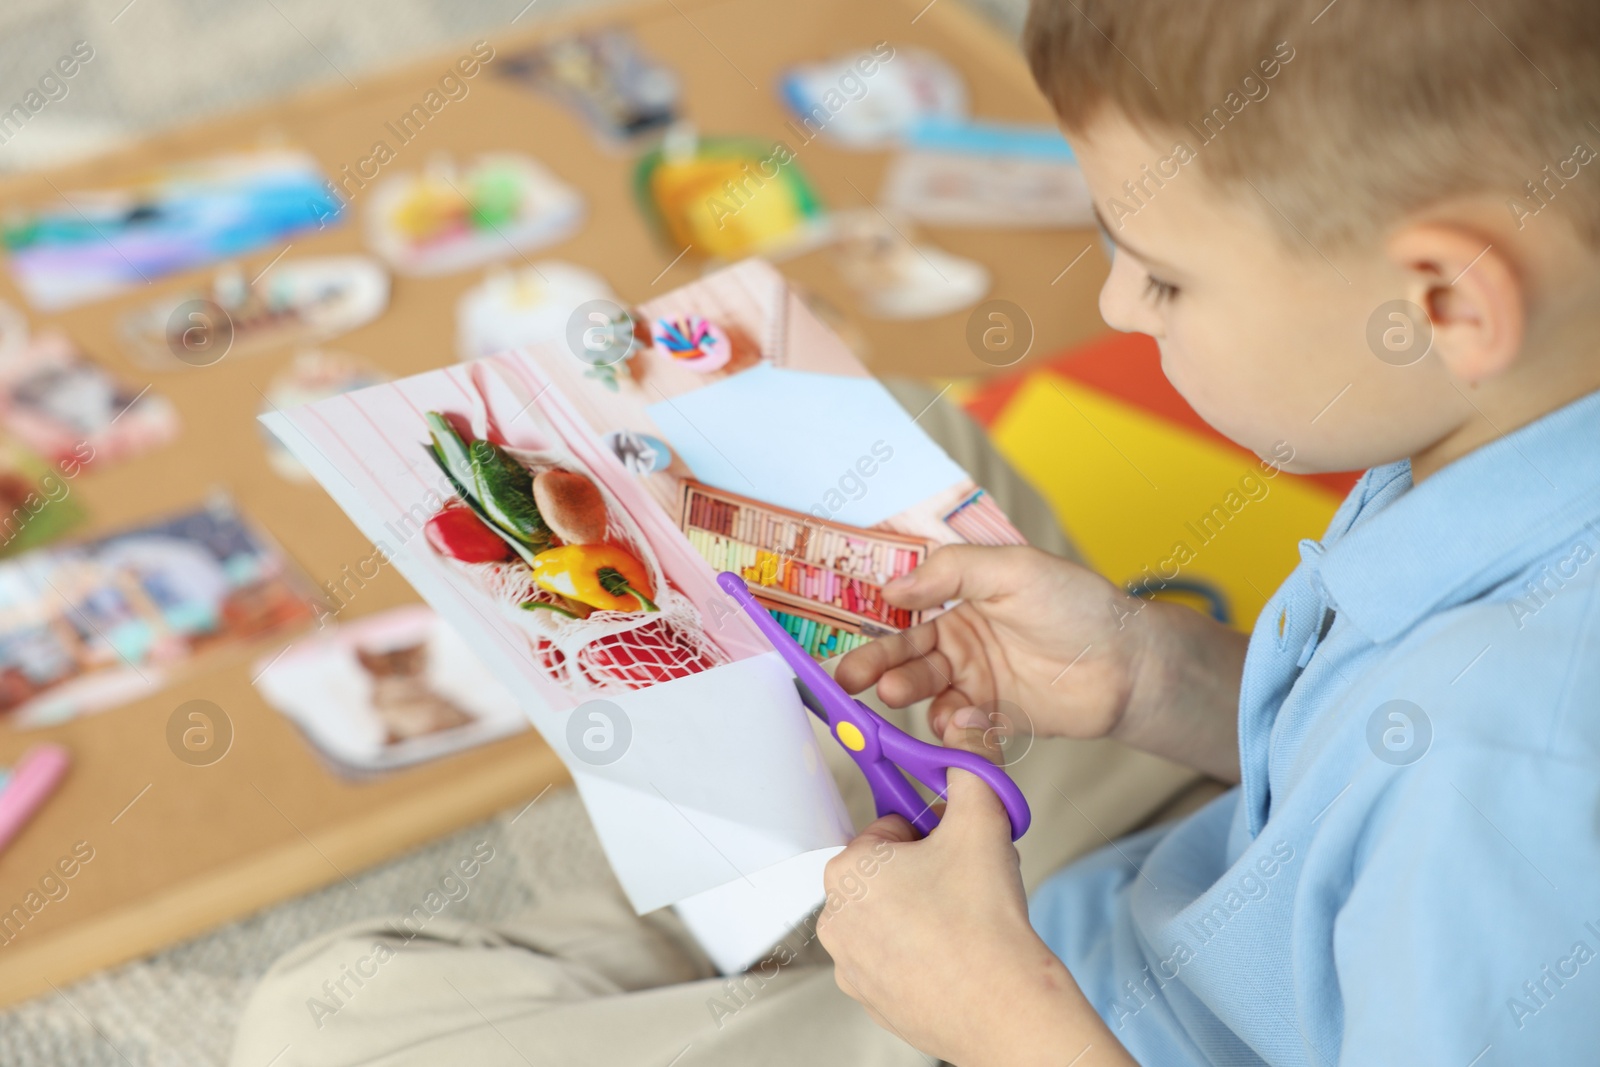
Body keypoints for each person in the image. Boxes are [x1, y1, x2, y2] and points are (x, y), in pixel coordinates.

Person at [821, 0, 1600, 1063]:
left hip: (1075, 1014)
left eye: (1164, 276)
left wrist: (995, 1013)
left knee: (507, 1016)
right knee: (893, 415)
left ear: (1449, 301)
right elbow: (1371, 753)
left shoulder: (1506, 773)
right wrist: (1152, 676)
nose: (1117, 305)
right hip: (1174, 890)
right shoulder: (1489, 426)